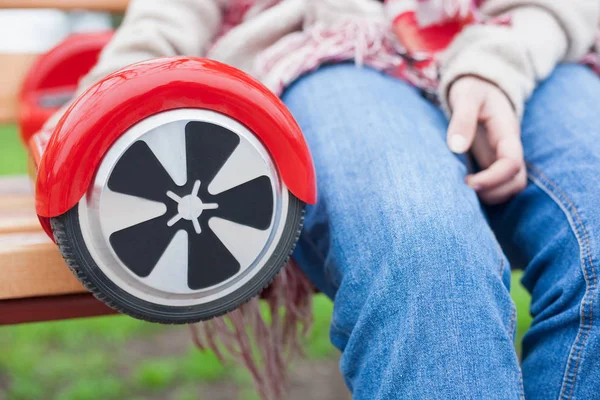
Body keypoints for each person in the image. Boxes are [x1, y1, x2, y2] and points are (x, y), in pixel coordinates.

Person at [44, 0, 600, 398]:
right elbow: (165, 20)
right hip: (328, 47)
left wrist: (495, 68)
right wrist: (102, 106)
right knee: (423, 253)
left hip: (522, 39)